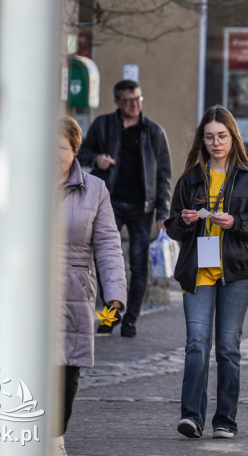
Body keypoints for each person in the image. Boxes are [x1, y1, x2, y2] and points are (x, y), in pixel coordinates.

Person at [0, 117, 127, 455]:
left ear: (74, 150)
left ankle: (55, 435)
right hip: (27, 290)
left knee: (66, 370)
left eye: (61, 147)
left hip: (73, 292)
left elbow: (107, 244)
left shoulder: (95, 190)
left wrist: (115, 292)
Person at [164, 105, 248, 440]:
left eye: (222, 136)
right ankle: (191, 417)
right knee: (197, 343)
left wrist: (236, 222)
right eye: (210, 137)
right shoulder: (190, 179)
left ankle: (225, 419)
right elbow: (171, 225)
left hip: (237, 272)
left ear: (233, 138)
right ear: (202, 140)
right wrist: (182, 222)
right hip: (198, 270)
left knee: (227, 346)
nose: (216, 143)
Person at [77, 79, 172, 338]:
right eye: (129, 101)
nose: (135, 105)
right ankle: (110, 315)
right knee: (105, 261)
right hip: (110, 204)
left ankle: (130, 320)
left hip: (143, 208)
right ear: (118, 101)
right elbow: (81, 153)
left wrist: (163, 213)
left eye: (138, 99)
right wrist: (97, 159)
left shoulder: (154, 132)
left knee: (139, 265)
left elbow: (164, 175)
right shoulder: (104, 125)